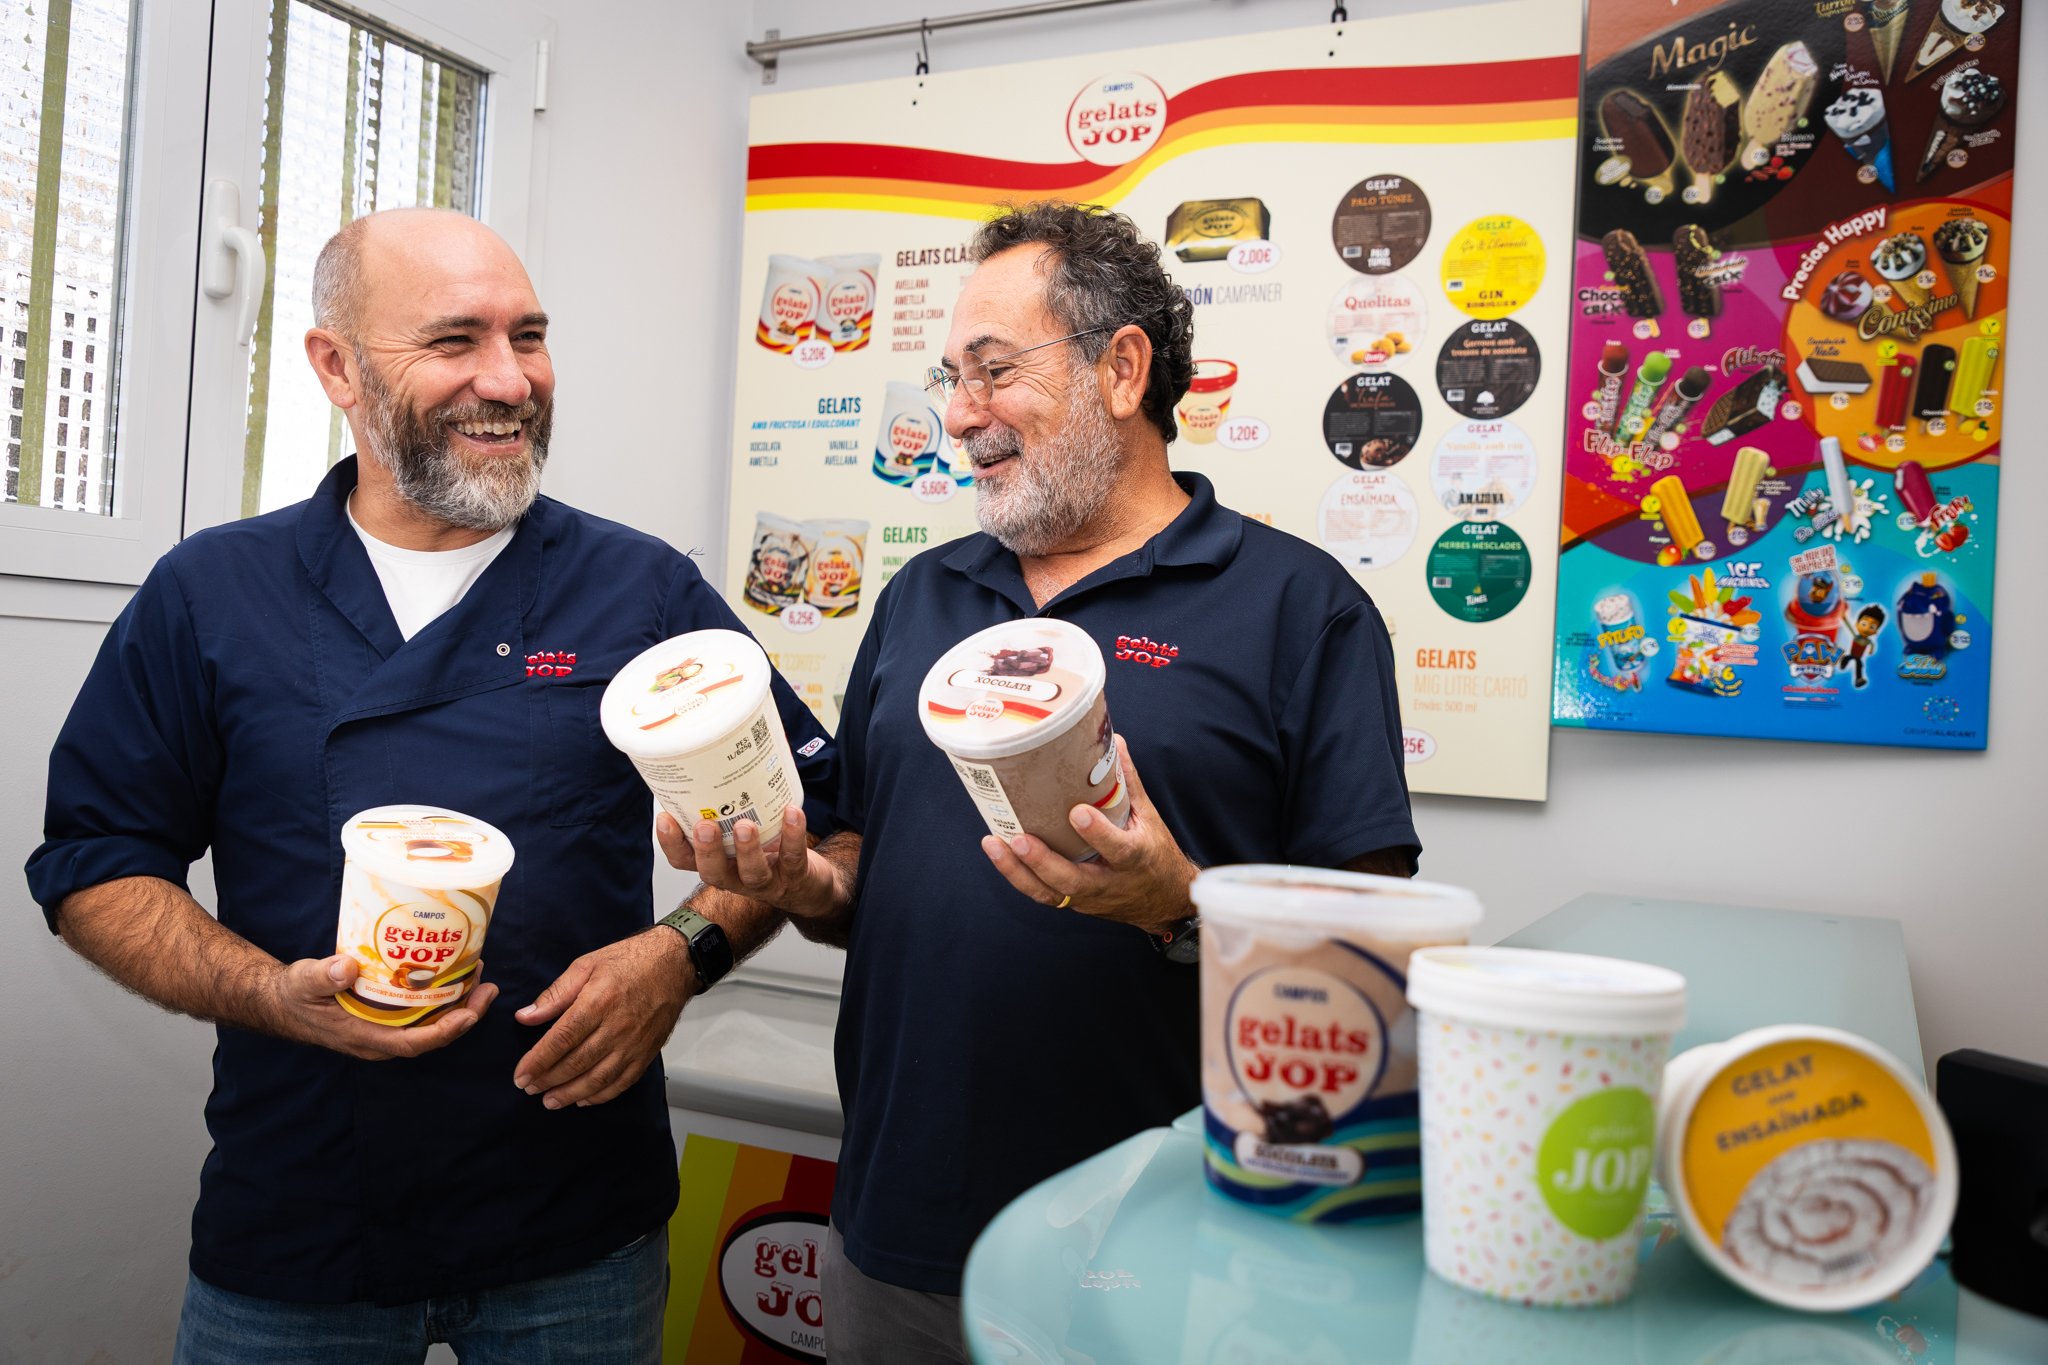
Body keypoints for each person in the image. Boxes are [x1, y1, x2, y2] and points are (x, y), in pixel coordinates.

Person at [25, 208, 836, 1362]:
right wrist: (267, 994)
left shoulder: (639, 590)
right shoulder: (212, 592)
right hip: (300, 1224)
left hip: (575, 1222)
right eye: (455, 341)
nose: (507, 380)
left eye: (530, 336)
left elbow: (805, 822)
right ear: (336, 368)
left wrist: (683, 951)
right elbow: (94, 861)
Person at [664, 201, 1420, 1364]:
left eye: (992, 370)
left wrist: (1176, 904)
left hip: (1169, 1255)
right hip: (894, 1233)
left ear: (1122, 369)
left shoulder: (1297, 610)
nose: (957, 412)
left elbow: (1373, 971)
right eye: (948, 376)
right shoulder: (922, 596)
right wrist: (803, 879)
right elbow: (862, 862)